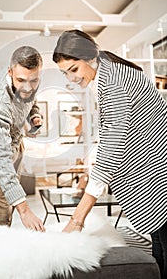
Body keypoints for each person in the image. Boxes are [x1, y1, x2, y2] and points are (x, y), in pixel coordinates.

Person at [52, 29, 167, 279]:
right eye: (65, 73)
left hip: (160, 167)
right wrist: (96, 149)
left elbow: (114, 144)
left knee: (164, 244)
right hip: (157, 166)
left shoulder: (112, 82)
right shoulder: (105, 70)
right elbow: (114, 127)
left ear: (89, 57)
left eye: (73, 69)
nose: (71, 78)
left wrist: (77, 219)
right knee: (158, 245)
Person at [0, 45, 45, 232]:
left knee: (11, 196)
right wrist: (25, 209)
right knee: (3, 200)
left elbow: (32, 102)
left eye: (34, 80)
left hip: (16, 140)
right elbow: (0, 160)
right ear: (10, 71)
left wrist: (34, 116)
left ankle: (7, 241)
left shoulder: (30, 79)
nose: (28, 87)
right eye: (21, 80)